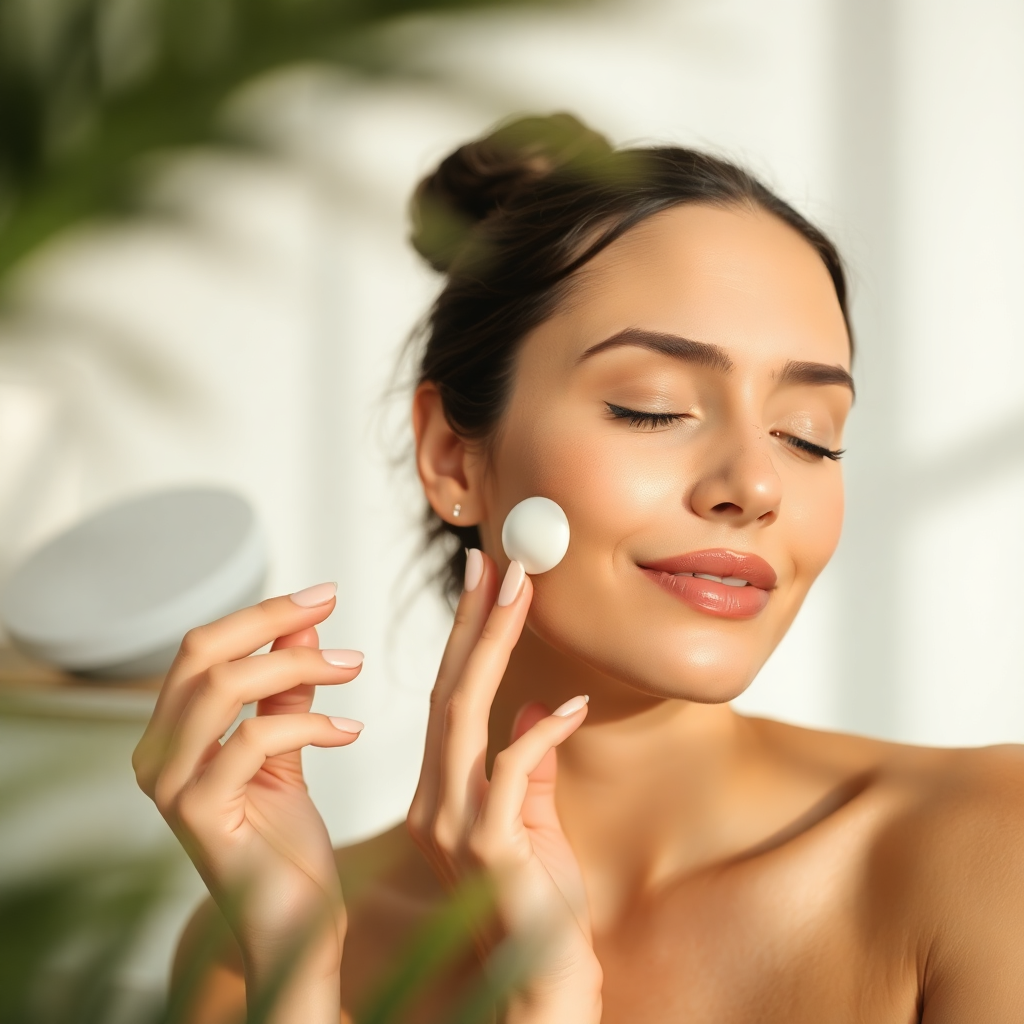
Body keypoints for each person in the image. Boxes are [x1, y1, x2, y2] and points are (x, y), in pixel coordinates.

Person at [132, 114, 1024, 1023]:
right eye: (653, 408)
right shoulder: (262, 939)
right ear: (452, 456)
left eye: (809, 436)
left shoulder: (987, 848)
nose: (755, 484)